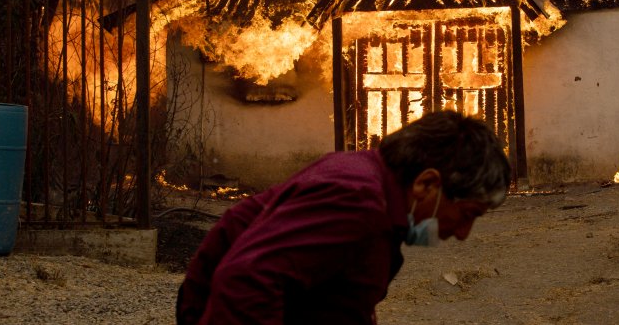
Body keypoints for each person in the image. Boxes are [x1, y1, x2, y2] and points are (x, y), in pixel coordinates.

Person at [175, 109, 511, 324]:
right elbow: (247, 281)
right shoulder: (357, 199)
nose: (463, 233)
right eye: (468, 214)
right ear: (427, 183)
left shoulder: (367, 182)